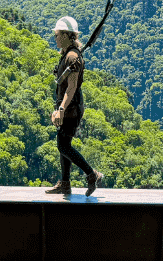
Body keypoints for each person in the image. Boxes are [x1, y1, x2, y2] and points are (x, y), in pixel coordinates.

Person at [46, 16, 104, 196]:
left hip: (71, 107)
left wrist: (61, 110)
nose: (54, 37)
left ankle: (91, 174)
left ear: (66, 35)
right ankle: (65, 184)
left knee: (63, 146)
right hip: (68, 106)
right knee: (63, 143)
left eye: (57, 34)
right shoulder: (67, 54)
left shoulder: (72, 57)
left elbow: (71, 88)